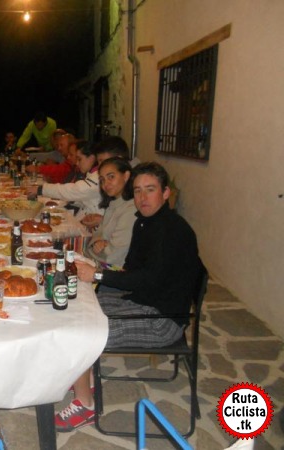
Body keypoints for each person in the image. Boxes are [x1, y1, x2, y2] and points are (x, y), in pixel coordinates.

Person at [54, 162, 200, 432]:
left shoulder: (171, 231)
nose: (143, 197)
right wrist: (97, 269)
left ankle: (85, 406)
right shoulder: (147, 222)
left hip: (162, 320)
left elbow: (147, 278)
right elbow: (133, 270)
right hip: (143, 299)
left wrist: (97, 276)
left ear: (166, 193)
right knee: (77, 308)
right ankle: (84, 374)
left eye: (151, 190)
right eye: (138, 191)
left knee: (82, 332)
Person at [85, 157, 137, 268]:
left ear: (126, 176)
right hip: (103, 263)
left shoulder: (131, 209)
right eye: (102, 180)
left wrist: (97, 245)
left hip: (115, 271)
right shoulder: (114, 204)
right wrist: (97, 243)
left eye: (111, 177)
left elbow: (114, 254)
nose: (106, 184)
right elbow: (97, 235)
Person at [26, 141, 102, 216]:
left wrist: (41, 189)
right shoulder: (91, 174)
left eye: (79, 159)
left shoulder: (97, 177)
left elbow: (75, 190)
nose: (77, 163)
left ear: (92, 158)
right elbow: (81, 198)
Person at [81, 136, 137, 230]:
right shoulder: (115, 196)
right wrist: (102, 220)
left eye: (103, 161)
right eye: (102, 180)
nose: (99, 166)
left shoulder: (135, 194)